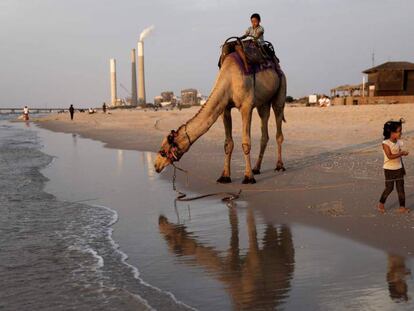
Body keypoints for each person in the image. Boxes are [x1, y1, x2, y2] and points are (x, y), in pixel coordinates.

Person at [378, 119, 410, 213]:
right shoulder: (386, 143)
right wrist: (401, 153)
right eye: (399, 131)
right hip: (389, 169)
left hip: (399, 168)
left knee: (401, 189)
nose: (401, 133)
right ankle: (381, 203)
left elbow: (399, 157)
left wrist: (403, 167)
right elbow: (390, 156)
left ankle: (402, 207)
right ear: (392, 132)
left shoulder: (399, 142)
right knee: (389, 188)